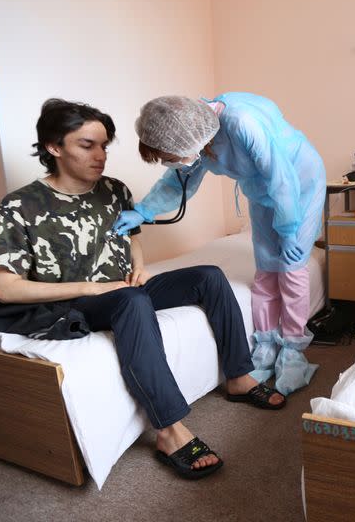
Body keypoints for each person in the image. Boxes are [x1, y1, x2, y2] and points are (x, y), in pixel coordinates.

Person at [0, 98, 284, 481]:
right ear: (54, 148)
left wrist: (140, 268)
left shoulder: (113, 191)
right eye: (87, 145)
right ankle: (170, 430)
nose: (100, 156)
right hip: (71, 302)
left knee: (208, 275)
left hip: (121, 287)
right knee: (132, 300)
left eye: (104, 146)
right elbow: (5, 289)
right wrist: (93, 289)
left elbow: (131, 240)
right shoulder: (17, 207)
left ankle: (240, 378)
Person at [112, 93, 326, 395]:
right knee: (266, 264)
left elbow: (281, 180)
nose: (169, 163)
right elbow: (177, 182)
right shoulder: (195, 138)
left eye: (168, 157)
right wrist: (143, 211)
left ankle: (292, 348)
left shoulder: (242, 124)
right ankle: (265, 342)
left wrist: (289, 230)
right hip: (261, 190)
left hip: (299, 182)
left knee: (290, 265)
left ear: (183, 142)